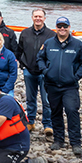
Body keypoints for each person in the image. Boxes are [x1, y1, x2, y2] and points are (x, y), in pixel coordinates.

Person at [37, 16, 82, 157]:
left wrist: (75, 76)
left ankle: (75, 143)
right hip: (52, 84)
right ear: (56, 28)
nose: (62, 29)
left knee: (72, 111)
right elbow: (40, 58)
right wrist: (45, 71)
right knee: (55, 111)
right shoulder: (48, 43)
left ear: (69, 27)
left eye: (64, 26)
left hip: (69, 86)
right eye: (59, 26)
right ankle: (58, 140)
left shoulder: (77, 45)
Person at [18, 9, 56, 137]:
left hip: (44, 72)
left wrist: (49, 68)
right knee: (30, 98)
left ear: (45, 18)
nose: (38, 18)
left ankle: (48, 124)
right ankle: (30, 121)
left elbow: (54, 54)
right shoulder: (25, 33)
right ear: (32, 18)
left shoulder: (51, 35)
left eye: (40, 16)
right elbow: (19, 50)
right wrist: (23, 65)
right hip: (29, 71)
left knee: (46, 100)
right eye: (36, 16)